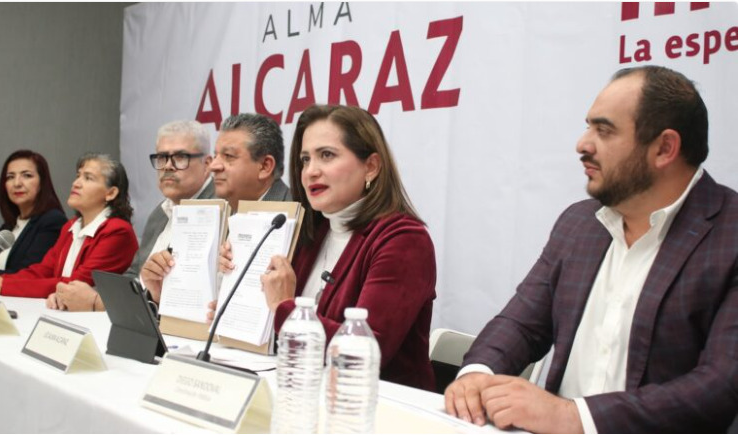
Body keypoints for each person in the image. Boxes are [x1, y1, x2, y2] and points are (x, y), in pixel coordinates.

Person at [444, 66, 738, 433]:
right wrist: (478, 373)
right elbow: (521, 323)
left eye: (604, 130)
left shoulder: (729, 234)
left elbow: (720, 386)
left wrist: (573, 417)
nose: (583, 144)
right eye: (588, 127)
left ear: (664, 148)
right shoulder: (579, 223)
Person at [218, 105, 437, 390]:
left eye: (327, 155)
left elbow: (363, 354)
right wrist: (234, 304)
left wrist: (285, 307)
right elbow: (277, 329)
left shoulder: (404, 240)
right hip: (301, 391)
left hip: (379, 405)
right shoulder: (311, 231)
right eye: (305, 159)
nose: (311, 171)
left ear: (371, 166)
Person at [52, 120, 214, 310]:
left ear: (207, 164)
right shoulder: (160, 214)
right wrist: (73, 295)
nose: (168, 166)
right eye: (162, 157)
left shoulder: (220, 211)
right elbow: (133, 277)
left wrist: (97, 302)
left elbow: (188, 299)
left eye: (180, 157)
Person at [141, 113, 291, 303]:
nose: (214, 166)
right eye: (217, 155)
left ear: (264, 166)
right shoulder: (228, 213)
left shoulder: (295, 221)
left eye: (228, 156)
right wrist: (158, 294)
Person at [0, 153, 138, 312]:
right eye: (78, 176)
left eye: (88, 178)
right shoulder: (71, 226)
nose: (76, 183)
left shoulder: (118, 231)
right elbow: (42, 271)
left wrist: (3, 285)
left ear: (111, 193)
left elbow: (76, 284)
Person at [0, 150, 67, 273]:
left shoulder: (52, 221)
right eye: (10, 177)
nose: (17, 183)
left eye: (27, 175)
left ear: (42, 182)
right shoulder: (8, 227)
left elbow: (28, 274)